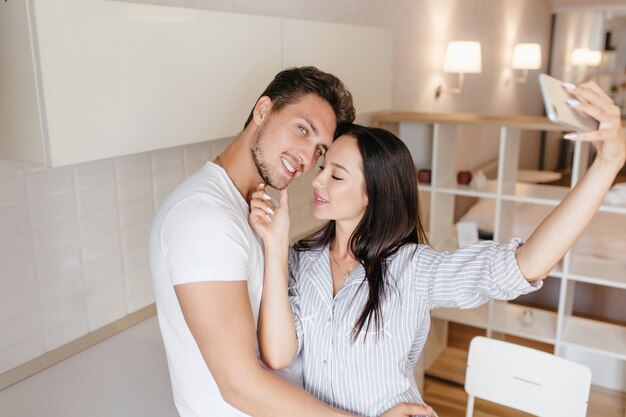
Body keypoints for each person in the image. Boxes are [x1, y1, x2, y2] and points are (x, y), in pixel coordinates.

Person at [249, 81, 626, 417]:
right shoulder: (301, 259)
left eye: (337, 175)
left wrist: (607, 165)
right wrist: (277, 247)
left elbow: (525, 264)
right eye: (321, 168)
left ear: (373, 195)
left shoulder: (412, 269)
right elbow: (279, 355)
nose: (317, 181)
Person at [149, 66, 434, 417]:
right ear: (263, 110)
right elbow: (239, 385)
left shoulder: (247, 211)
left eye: (319, 150)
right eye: (302, 129)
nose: (306, 158)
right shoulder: (204, 217)